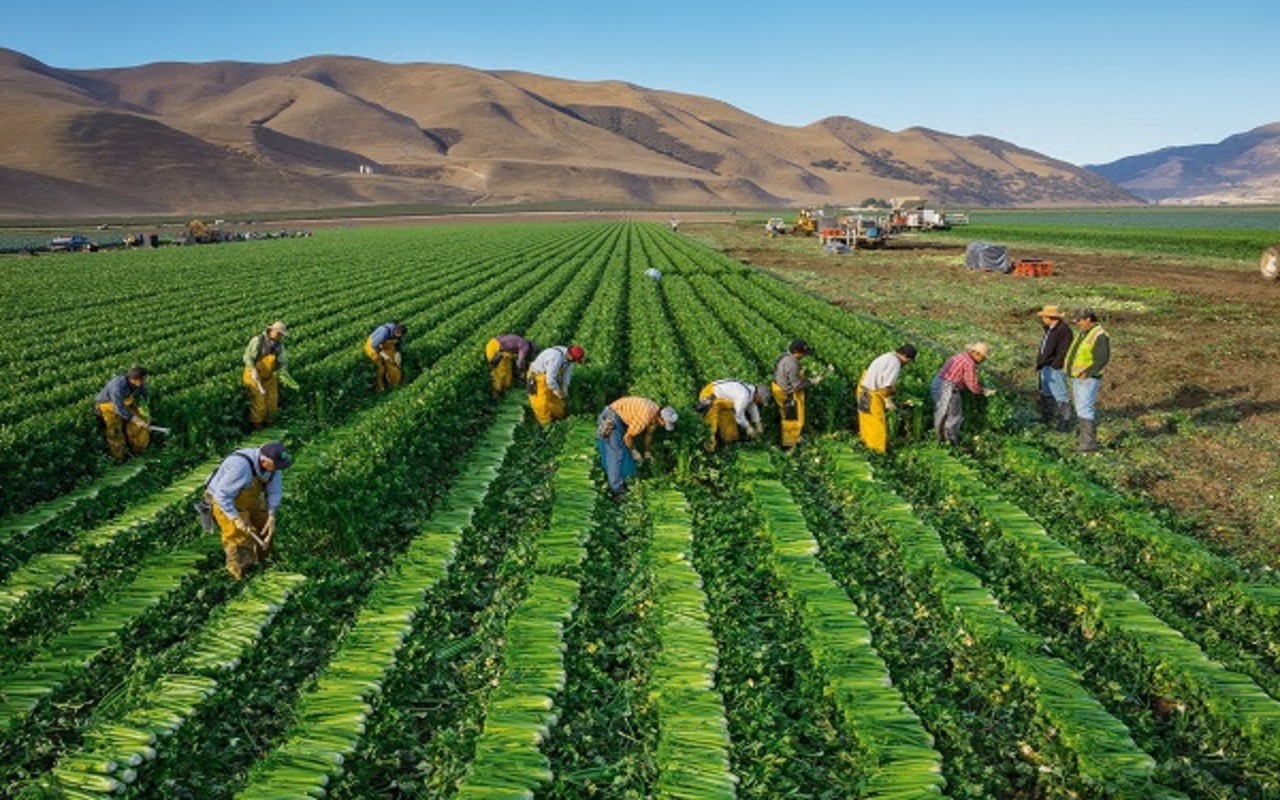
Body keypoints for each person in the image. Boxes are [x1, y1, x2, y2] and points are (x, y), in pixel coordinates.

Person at [204, 441, 293, 580]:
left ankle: (264, 562)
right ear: (264, 462)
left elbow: (274, 491)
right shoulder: (241, 467)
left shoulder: (274, 467)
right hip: (224, 501)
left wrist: (271, 516)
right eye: (276, 466)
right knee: (239, 537)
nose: (278, 469)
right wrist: (236, 518)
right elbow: (222, 495)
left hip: (247, 498)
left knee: (264, 525)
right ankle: (241, 576)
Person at [596, 396, 678, 501]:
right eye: (664, 423)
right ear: (660, 418)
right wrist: (634, 451)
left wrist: (647, 452)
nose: (663, 426)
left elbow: (649, 434)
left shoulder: (655, 411)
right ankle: (617, 492)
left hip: (620, 416)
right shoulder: (644, 417)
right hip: (612, 417)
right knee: (617, 453)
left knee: (621, 453)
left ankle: (616, 479)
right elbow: (627, 437)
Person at [1065, 307, 1110, 453]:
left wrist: (1088, 372)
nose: (1077, 323)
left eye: (1079, 320)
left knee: (1085, 408)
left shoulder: (1099, 335)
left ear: (1088, 319)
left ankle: (1089, 443)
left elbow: (1103, 358)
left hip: (1088, 378)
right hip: (1078, 376)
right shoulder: (1083, 333)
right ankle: (1083, 438)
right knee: (1080, 407)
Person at [857, 344, 917, 454]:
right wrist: (888, 400)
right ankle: (877, 452)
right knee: (877, 424)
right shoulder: (895, 363)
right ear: (904, 356)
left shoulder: (888, 356)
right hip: (872, 394)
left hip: (863, 388)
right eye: (908, 361)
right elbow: (887, 387)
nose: (907, 364)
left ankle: (866, 444)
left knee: (866, 418)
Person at [931, 343, 995, 445]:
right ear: (977, 354)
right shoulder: (969, 363)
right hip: (948, 388)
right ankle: (951, 443)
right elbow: (973, 386)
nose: (982, 361)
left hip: (938, 383)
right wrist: (984, 391)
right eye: (983, 358)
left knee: (941, 414)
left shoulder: (960, 356)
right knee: (954, 417)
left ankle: (940, 440)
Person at [772, 338, 826, 448]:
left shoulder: (785, 357)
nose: (804, 356)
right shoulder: (792, 365)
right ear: (796, 352)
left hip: (778, 387)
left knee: (786, 416)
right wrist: (813, 381)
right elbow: (796, 385)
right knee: (793, 419)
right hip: (787, 393)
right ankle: (789, 444)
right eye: (803, 353)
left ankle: (789, 439)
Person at [243, 321, 296, 429]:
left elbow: (283, 361)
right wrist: (253, 369)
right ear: (271, 331)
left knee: (272, 401)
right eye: (279, 334)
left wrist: (283, 372)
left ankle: (270, 425)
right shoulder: (258, 340)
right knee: (259, 403)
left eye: (282, 335)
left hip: (269, 376)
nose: (280, 336)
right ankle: (257, 427)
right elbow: (248, 357)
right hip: (253, 375)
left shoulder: (279, 345)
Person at [95, 366, 150, 462]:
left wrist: (145, 415)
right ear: (135, 380)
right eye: (143, 379)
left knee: (139, 427)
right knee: (114, 432)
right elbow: (119, 408)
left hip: (126, 402)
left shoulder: (139, 384)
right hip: (108, 405)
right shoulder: (117, 386)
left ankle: (138, 451)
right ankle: (119, 459)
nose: (144, 382)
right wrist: (136, 419)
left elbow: (143, 397)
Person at [696, 379, 769, 451]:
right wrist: (748, 427)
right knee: (710, 430)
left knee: (730, 432)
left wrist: (758, 423)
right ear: (758, 395)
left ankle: (730, 449)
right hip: (710, 396)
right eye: (761, 400)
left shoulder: (750, 392)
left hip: (723, 403)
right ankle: (708, 452)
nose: (760, 403)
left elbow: (752, 406)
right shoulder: (743, 395)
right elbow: (739, 416)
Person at [1034, 305, 1073, 431]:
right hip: (1046, 366)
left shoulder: (1064, 330)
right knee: (1046, 392)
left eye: (1044, 317)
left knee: (1060, 394)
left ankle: (1065, 422)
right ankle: (1047, 417)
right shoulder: (1050, 329)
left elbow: (1065, 350)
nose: (1042, 319)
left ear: (1050, 317)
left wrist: (1055, 364)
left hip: (1055, 368)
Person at [526, 344, 586, 425]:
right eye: (575, 360)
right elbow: (550, 378)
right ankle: (546, 426)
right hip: (538, 376)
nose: (574, 362)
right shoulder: (556, 357)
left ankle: (558, 419)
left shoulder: (569, 358)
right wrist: (555, 390)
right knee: (541, 403)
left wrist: (564, 388)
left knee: (556, 401)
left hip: (552, 377)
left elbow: (566, 374)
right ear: (571, 356)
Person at [365, 321, 406, 392]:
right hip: (373, 347)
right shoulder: (384, 332)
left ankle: (394, 383)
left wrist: (397, 353)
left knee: (393, 363)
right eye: (398, 334)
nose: (399, 336)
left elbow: (398, 342)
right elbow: (374, 345)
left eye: (400, 335)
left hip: (386, 346)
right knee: (380, 368)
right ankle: (380, 387)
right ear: (395, 331)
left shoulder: (398, 332)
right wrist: (384, 355)